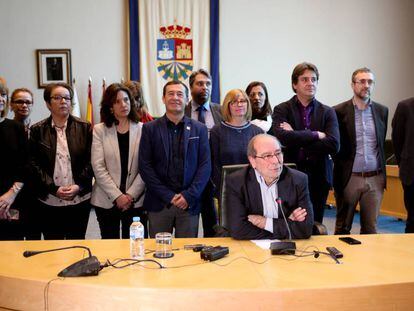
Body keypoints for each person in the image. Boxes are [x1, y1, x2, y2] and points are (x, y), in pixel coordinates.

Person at [139, 80, 211, 238]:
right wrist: (168, 196)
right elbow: (145, 166)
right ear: (163, 98)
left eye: (180, 94)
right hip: (159, 202)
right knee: (158, 252)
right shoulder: (150, 129)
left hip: (189, 203)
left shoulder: (199, 129)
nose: (175, 97)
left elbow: (205, 166)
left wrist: (188, 195)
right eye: (170, 94)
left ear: (186, 100)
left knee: (186, 254)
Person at [272, 62, 339, 223]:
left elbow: (334, 144)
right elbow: (282, 137)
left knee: (315, 223)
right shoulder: (282, 109)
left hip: (319, 176)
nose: (310, 83)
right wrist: (316, 134)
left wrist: (295, 137)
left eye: (314, 79)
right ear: (295, 84)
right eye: (305, 79)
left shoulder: (327, 111)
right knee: (290, 221)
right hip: (290, 175)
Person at [29, 82, 93, 240]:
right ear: (48, 104)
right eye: (57, 98)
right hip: (50, 201)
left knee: (77, 245)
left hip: (79, 199)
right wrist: (53, 188)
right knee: (53, 246)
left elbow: (93, 161)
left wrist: (80, 185)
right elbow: (33, 163)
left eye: (66, 98)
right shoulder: (37, 130)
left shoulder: (85, 127)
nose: (63, 101)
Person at [226, 134, 313, 240]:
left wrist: (265, 222)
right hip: (249, 248)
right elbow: (238, 229)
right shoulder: (237, 182)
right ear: (253, 161)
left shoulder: (298, 180)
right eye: (267, 156)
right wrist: (287, 225)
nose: (276, 161)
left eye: (278, 153)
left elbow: (305, 229)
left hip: (287, 248)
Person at [333, 68, 388, 234]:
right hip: (350, 178)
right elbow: (334, 146)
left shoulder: (382, 111)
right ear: (353, 85)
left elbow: (380, 142)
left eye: (370, 82)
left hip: (375, 179)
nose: (366, 85)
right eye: (362, 81)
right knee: (343, 228)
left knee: (371, 229)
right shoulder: (338, 111)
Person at [91, 83, 147, 239]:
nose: (124, 104)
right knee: (110, 247)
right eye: (117, 101)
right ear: (110, 106)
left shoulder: (144, 129)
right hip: (106, 199)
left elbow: (146, 167)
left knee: (136, 247)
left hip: (135, 200)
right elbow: (98, 166)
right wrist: (117, 196)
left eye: (126, 100)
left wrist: (130, 195)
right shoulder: (99, 130)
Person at [185, 69, 222, 237]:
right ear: (191, 87)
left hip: (213, 176)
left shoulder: (221, 111)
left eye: (208, 84)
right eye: (200, 84)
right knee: (188, 227)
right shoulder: (182, 111)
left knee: (212, 226)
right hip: (189, 177)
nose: (204, 87)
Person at [210, 89, 263, 197]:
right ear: (227, 105)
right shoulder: (217, 131)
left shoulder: (258, 132)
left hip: (253, 190)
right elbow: (214, 164)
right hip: (226, 191)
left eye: (243, 101)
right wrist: (223, 189)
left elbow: (261, 164)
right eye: (234, 102)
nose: (239, 105)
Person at [10, 87, 41, 239]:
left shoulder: (39, 131)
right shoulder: (4, 131)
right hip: (13, 194)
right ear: (11, 105)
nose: (24, 105)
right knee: (13, 239)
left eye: (28, 102)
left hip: (36, 197)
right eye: (19, 101)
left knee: (34, 238)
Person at [0, 83, 27, 240]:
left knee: (11, 249)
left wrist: (10, 195)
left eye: (3, 95)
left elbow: (25, 166)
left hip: (12, 200)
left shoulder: (16, 128)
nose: (1, 99)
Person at [392, 97, 414, 233]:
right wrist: (404, 163)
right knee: (413, 220)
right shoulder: (405, 106)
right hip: (412, 174)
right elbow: (397, 139)